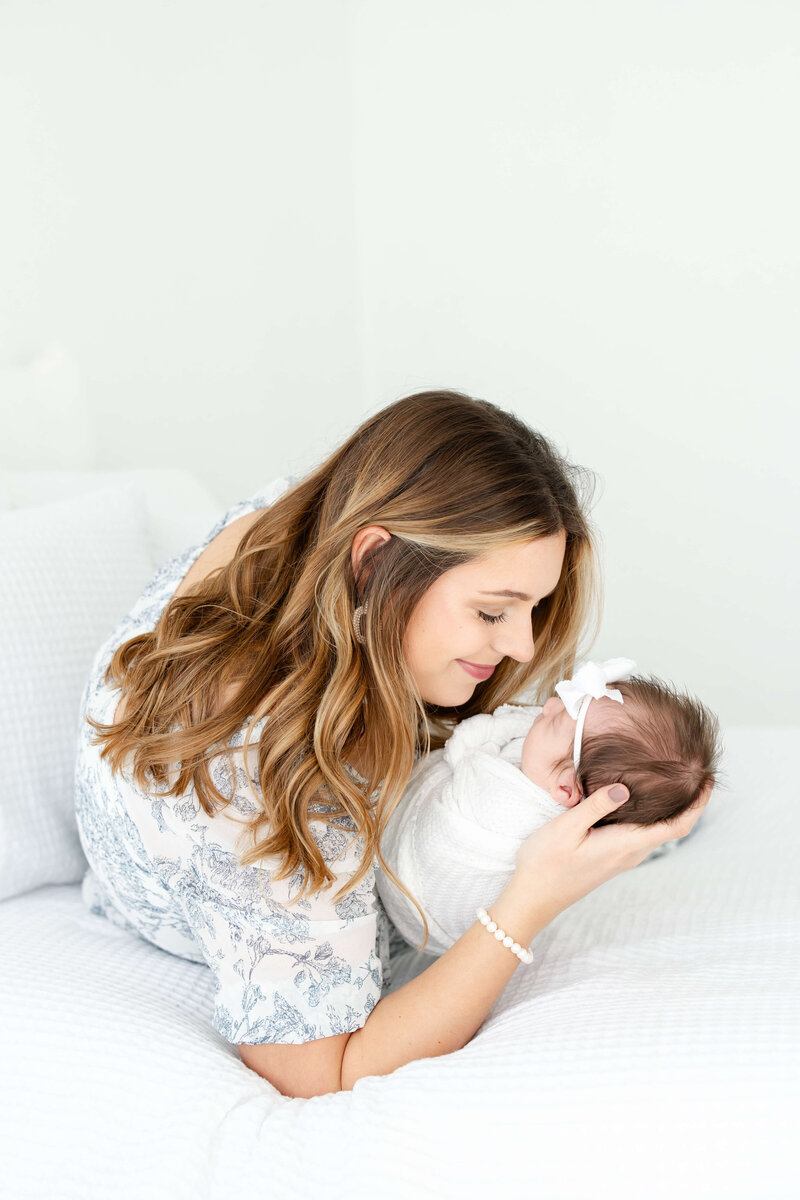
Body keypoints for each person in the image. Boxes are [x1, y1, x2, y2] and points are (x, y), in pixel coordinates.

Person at [73, 390, 711, 1099]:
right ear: (374, 560)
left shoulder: (301, 522)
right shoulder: (255, 768)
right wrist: (534, 896)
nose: (524, 645)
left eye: (529, 607)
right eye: (492, 610)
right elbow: (321, 1073)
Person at [375, 657, 722, 956]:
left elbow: (461, 748)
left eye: (558, 720)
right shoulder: (557, 780)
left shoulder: (500, 793)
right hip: (426, 922)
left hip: (419, 894)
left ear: (566, 788)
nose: (549, 706)